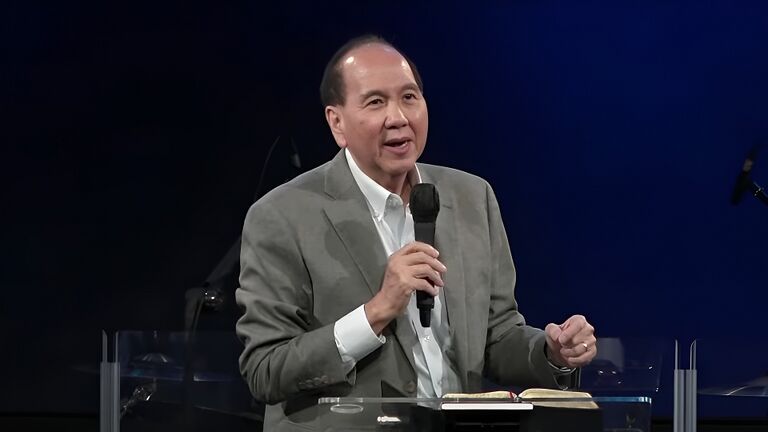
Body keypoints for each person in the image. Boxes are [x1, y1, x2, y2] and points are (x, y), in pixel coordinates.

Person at [235, 35, 597, 430]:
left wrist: (551, 352)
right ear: (337, 122)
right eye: (376, 102)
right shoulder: (282, 216)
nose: (398, 117)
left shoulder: (472, 197)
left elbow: (496, 335)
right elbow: (265, 369)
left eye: (409, 97)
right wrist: (375, 312)